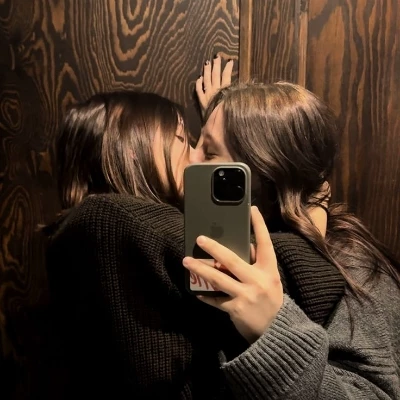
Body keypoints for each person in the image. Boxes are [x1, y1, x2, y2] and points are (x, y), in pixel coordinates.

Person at [45, 86, 345, 399]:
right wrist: (313, 223)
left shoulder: (89, 235)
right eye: (182, 139)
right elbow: (289, 282)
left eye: (204, 148)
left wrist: (222, 119)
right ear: (131, 146)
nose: (193, 157)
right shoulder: (110, 218)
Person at [183, 77, 400, 399]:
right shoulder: (209, 236)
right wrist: (226, 117)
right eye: (194, 142)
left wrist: (273, 331)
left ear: (267, 172)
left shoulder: (351, 264)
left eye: (209, 152)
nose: (189, 158)